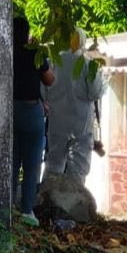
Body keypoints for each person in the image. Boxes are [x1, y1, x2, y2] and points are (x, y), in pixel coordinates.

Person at [44, 28, 105, 185]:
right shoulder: (87, 64)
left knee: (53, 165)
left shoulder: (53, 62)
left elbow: (44, 92)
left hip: (56, 123)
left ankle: (49, 201)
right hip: (81, 124)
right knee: (78, 169)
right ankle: (73, 205)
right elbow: (96, 92)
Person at [13, 16, 54, 226]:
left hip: (11, 112)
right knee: (31, 164)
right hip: (31, 112)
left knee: (12, 162)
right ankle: (27, 210)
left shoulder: (7, 52)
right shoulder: (35, 53)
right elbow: (49, 79)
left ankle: (8, 207)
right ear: (27, 33)